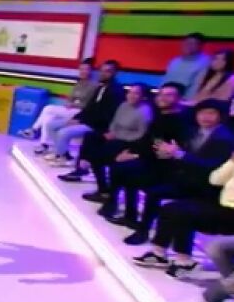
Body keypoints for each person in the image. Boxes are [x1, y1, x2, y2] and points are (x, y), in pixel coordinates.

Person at [126, 99, 234, 250]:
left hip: (205, 186)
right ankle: (142, 230)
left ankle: (164, 244)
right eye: (202, 113)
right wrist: (168, 154)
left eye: (211, 113)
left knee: (169, 202)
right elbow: (181, 153)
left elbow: (212, 167)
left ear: (220, 116)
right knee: (150, 188)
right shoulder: (193, 131)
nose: (205, 117)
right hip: (186, 177)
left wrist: (180, 155)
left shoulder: (225, 138)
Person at [98, 82, 190, 225]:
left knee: (125, 170)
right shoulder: (160, 115)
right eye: (161, 94)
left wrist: (135, 155)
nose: (162, 98)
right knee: (119, 166)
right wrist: (130, 152)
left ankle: (125, 212)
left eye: (169, 95)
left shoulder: (180, 121)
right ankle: (124, 211)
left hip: (166, 166)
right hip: (150, 159)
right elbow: (148, 140)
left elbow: (163, 149)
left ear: (179, 98)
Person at [148, 153, 234, 279]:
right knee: (171, 208)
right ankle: (158, 252)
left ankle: (185, 261)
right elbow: (215, 180)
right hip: (222, 206)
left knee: (185, 214)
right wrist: (231, 162)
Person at [60, 83, 151, 197]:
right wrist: (111, 132)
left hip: (129, 143)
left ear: (143, 96)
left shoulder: (145, 112)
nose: (131, 95)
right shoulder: (124, 105)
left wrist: (118, 135)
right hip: (116, 135)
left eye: (136, 93)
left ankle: (102, 190)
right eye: (130, 92)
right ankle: (82, 167)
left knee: (97, 155)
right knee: (90, 137)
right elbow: (114, 122)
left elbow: (141, 135)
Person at [44, 60, 122, 166]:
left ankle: (63, 158)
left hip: (98, 126)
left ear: (115, 73)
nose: (103, 73)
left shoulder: (116, 91)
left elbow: (107, 114)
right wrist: (76, 118)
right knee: (51, 125)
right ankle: (62, 153)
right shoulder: (101, 87)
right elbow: (89, 107)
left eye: (107, 71)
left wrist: (82, 121)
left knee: (63, 133)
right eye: (102, 71)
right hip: (86, 119)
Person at [21, 59, 97, 152]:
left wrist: (74, 104)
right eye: (81, 69)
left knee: (48, 109)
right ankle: (44, 144)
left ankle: (34, 129)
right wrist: (68, 103)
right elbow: (70, 98)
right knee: (48, 117)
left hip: (80, 113)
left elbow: (89, 105)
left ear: (90, 71)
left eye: (86, 69)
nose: (83, 72)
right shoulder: (78, 83)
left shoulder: (94, 86)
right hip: (71, 109)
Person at [162, 32, 210, 98]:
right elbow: (165, 80)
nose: (188, 45)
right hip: (166, 97)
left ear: (200, 46)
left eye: (193, 43)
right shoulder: (175, 61)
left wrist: (184, 101)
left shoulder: (206, 63)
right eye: (186, 42)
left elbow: (196, 87)